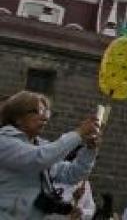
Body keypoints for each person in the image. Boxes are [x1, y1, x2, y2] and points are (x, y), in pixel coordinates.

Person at [0, 90, 100, 219]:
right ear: (17, 118)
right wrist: (79, 133)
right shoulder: (4, 141)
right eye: (36, 111)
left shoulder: (40, 145)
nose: (45, 117)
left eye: (46, 112)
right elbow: (39, 159)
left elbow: (72, 174)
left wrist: (89, 150)